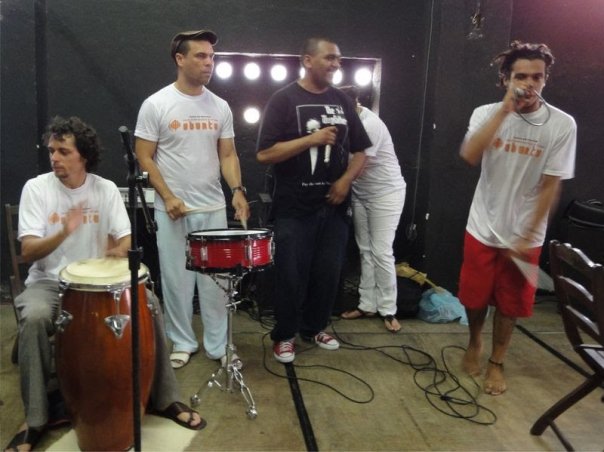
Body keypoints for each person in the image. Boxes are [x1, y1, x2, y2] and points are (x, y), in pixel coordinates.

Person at [5, 116, 206, 452]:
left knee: (150, 304)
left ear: (83, 155)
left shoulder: (105, 189)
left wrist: (117, 251)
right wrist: (64, 231)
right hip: (50, 284)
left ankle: (165, 399)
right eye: (52, 151)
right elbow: (28, 251)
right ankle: (35, 420)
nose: (54, 157)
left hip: (96, 287)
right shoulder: (37, 189)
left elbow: (125, 239)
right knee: (36, 317)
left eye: (63, 151)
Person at [458, 41, 576, 395]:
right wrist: (505, 111)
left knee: (510, 304)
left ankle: (497, 362)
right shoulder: (485, 113)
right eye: (521, 76)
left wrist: (527, 234)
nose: (529, 83)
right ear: (505, 79)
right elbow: (470, 155)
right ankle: (474, 340)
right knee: (474, 299)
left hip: (526, 233)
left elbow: (551, 185)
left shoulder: (562, 124)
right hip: (482, 225)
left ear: (545, 79)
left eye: (537, 77)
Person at [135, 30, 250, 369]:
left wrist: (237, 190)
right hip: (173, 211)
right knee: (176, 281)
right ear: (180, 59)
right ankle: (183, 342)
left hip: (212, 208)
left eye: (212, 56)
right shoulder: (156, 104)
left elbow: (227, 154)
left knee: (216, 283)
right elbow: (144, 156)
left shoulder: (220, 106)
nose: (209, 63)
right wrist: (168, 196)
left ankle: (219, 346)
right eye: (201, 56)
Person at [256, 37, 372, 363]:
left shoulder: (342, 100)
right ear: (307, 60)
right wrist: (312, 139)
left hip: (333, 208)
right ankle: (284, 335)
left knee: (327, 274)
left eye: (339, 59)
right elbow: (264, 153)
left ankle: (314, 327)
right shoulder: (283, 99)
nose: (336, 64)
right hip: (294, 208)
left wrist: (345, 181)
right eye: (329, 58)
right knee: (290, 276)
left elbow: (362, 151)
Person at [338, 85, 406, 333]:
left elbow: (358, 166)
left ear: (353, 105)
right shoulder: (345, 122)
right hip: (361, 193)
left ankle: (388, 309)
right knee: (365, 250)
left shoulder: (370, 125)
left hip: (386, 194)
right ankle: (367, 304)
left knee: (381, 251)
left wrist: (336, 183)